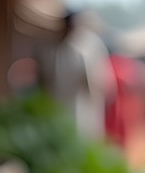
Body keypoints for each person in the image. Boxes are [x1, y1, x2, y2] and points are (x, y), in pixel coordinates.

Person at [44, 10, 115, 141]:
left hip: (86, 107)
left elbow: (101, 80)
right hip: (62, 107)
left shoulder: (90, 44)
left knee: (86, 136)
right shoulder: (58, 48)